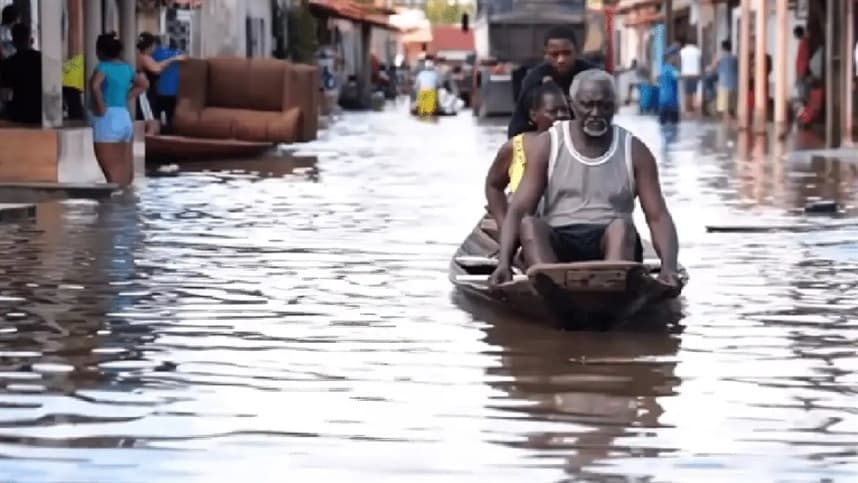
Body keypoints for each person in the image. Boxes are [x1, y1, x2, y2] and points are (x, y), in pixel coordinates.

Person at [488, 69, 681, 295]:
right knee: (530, 225)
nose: (596, 113)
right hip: (559, 242)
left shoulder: (635, 151)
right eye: (587, 105)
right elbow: (520, 209)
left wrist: (668, 267)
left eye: (605, 106)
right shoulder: (548, 145)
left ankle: (611, 292)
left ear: (615, 105)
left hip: (611, 244)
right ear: (572, 104)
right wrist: (504, 262)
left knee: (623, 227)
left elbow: (658, 216)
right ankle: (553, 291)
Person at [485, 81, 570, 231]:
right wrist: (503, 224)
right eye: (553, 111)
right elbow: (493, 185)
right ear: (533, 115)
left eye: (565, 110)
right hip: (526, 226)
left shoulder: (577, 146)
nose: (561, 116)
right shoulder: (515, 147)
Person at [507, 26, 594, 139]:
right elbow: (518, 123)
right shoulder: (534, 79)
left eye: (566, 53)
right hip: (546, 139)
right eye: (555, 54)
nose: (561, 59)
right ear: (546, 54)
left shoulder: (592, 76)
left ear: (576, 52)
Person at [89, 33, 148, 187]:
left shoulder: (103, 67)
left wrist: (101, 105)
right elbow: (143, 85)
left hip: (108, 120)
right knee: (126, 176)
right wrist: (125, 96)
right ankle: (127, 209)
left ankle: (113, 209)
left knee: (112, 177)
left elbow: (95, 85)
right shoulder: (127, 68)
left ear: (100, 51)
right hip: (124, 118)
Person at [136, 32, 184, 122]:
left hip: (150, 93)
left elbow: (157, 65)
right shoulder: (143, 57)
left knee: (152, 119)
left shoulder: (146, 57)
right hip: (144, 94)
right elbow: (157, 69)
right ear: (152, 45)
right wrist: (173, 59)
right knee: (149, 121)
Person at [0, 24, 41, 125]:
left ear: (13, 42)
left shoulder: (8, 63)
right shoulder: (41, 59)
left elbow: (5, 94)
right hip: (41, 110)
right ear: (31, 40)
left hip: (18, 113)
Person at [152, 38, 183, 128]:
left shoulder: (156, 53)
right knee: (171, 118)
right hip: (174, 92)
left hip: (158, 91)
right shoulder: (179, 54)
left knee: (155, 116)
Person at [706, 40, 738, 120]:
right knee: (731, 109)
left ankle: (726, 126)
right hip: (734, 85)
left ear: (722, 48)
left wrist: (707, 69)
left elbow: (712, 68)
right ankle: (733, 124)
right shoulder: (734, 58)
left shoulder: (719, 57)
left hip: (723, 84)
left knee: (724, 109)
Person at [657, 47, 681, 125]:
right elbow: (678, 77)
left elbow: (658, 79)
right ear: (671, 57)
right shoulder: (672, 70)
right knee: (674, 128)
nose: (677, 59)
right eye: (676, 57)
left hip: (662, 102)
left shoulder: (662, 69)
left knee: (663, 127)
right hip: (671, 102)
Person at [679, 37, 702, 114]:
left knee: (687, 92)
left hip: (686, 74)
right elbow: (701, 62)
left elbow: (680, 62)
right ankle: (694, 108)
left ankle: (687, 109)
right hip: (695, 74)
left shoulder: (682, 51)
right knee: (694, 92)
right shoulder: (698, 51)